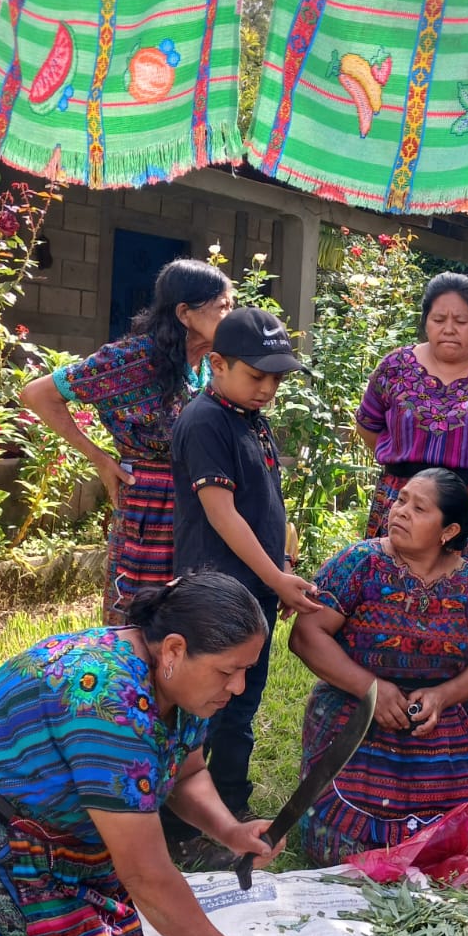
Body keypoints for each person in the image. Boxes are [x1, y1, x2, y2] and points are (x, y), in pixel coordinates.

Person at [0, 574, 289, 936]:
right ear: (174, 650)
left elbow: (188, 773)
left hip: (55, 838)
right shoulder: (107, 697)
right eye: (227, 671)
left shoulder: (181, 686)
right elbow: (145, 873)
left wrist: (230, 831)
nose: (237, 687)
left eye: (246, 670)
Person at [290, 469, 468, 860]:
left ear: (448, 531)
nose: (400, 512)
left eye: (418, 508)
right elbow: (306, 636)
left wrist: (441, 697)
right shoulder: (360, 563)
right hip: (354, 717)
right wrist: (371, 689)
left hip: (431, 726)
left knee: (456, 848)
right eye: (401, 500)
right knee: (342, 851)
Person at [355, 272, 468, 716]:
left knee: (463, 609)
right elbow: (368, 426)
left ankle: (453, 709)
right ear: (425, 322)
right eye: (439, 319)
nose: (449, 328)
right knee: (387, 596)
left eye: (461, 319)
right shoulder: (395, 367)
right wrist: (410, 482)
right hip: (400, 500)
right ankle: (382, 698)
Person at [20, 259, 233, 622]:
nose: (232, 316)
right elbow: (37, 394)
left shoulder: (211, 364)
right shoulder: (130, 361)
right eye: (223, 307)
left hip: (198, 499)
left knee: (192, 613)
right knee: (141, 614)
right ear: (185, 313)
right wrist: (100, 459)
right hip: (149, 503)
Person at [170, 308, 320, 822]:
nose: (267, 388)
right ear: (217, 363)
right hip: (216, 595)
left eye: (275, 377)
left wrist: (281, 560)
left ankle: (229, 806)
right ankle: (187, 816)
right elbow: (221, 513)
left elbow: (263, 502)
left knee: (240, 706)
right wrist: (276, 577)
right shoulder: (206, 420)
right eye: (256, 375)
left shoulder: (249, 420)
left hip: (252, 590)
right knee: (208, 713)